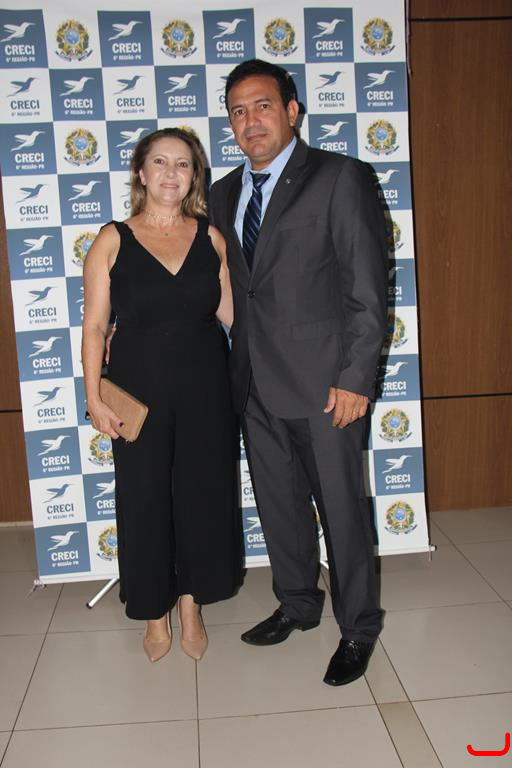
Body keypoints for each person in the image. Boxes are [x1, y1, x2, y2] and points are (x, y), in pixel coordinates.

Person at [209, 59, 388, 686]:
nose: (250, 120)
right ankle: (298, 603)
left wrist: (356, 377)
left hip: (325, 384)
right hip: (253, 381)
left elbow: (367, 290)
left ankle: (359, 626)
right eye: (238, 111)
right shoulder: (224, 193)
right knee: (278, 504)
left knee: (341, 510)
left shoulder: (339, 177)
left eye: (262, 105)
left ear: (291, 111)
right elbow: (234, 287)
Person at [82, 127, 242, 663]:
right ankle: (155, 613)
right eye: (160, 162)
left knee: (202, 496)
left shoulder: (211, 239)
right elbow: (94, 326)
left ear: (195, 176)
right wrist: (94, 397)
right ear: (141, 172)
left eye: (183, 164)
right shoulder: (112, 239)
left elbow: (234, 316)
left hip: (206, 388)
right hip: (139, 390)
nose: (171, 173)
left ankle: (192, 606)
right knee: (144, 499)